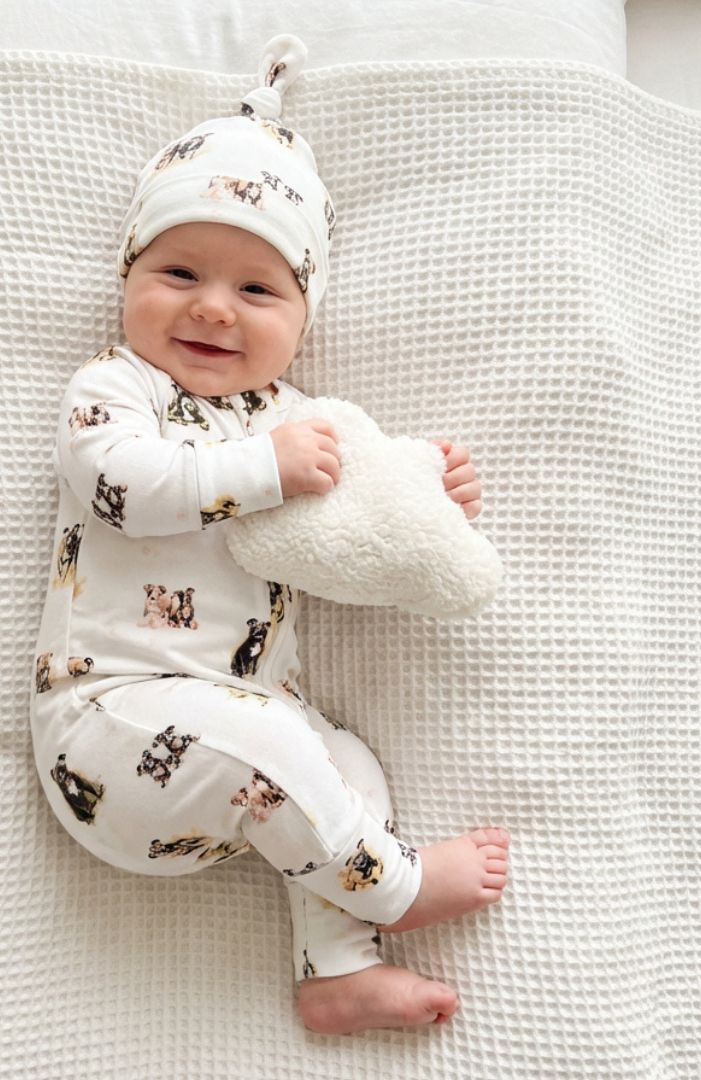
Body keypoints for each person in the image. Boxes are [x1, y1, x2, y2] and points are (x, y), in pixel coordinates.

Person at [30, 35, 509, 1035]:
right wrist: (264, 470)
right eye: (178, 272)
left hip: (243, 756)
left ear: (302, 318)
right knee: (278, 745)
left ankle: (336, 963)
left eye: (256, 291)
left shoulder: (295, 420)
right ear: (128, 275)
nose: (212, 308)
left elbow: (362, 519)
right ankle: (393, 888)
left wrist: (431, 488)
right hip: (114, 726)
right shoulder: (115, 388)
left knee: (346, 763)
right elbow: (122, 487)